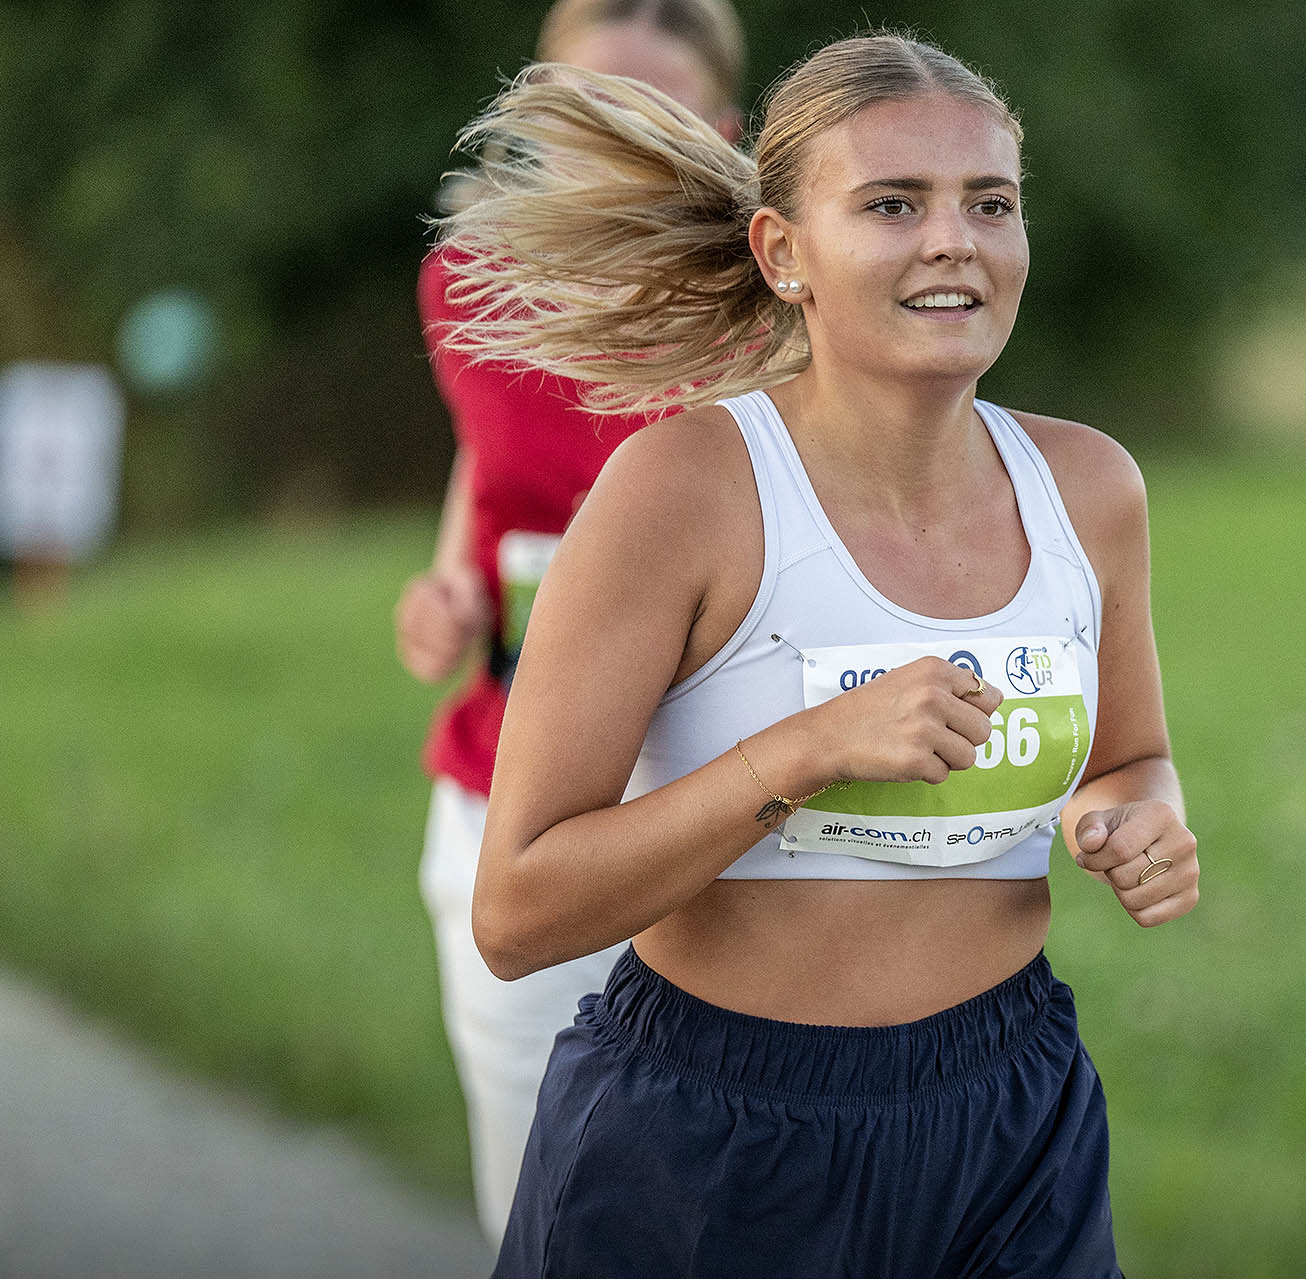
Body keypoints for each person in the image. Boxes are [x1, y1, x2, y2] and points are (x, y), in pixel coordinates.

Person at [440, 31, 1200, 1276]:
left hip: (1012, 1117)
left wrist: (1138, 818)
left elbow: (1132, 756)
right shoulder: (682, 490)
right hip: (711, 1137)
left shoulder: (1090, 487)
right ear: (782, 251)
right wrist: (804, 753)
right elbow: (518, 911)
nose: (954, 241)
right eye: (893, 204)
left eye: (990, 203)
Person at [393, 0, 746, 1246]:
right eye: (591, 114)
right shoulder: (466, 283)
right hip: (513, 801)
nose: (618, 145)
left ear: (723, 130)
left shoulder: (778, 296)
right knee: (545, 1211)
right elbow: (487, 468)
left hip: (726, 816)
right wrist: (451, 590)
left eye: (655, 115)